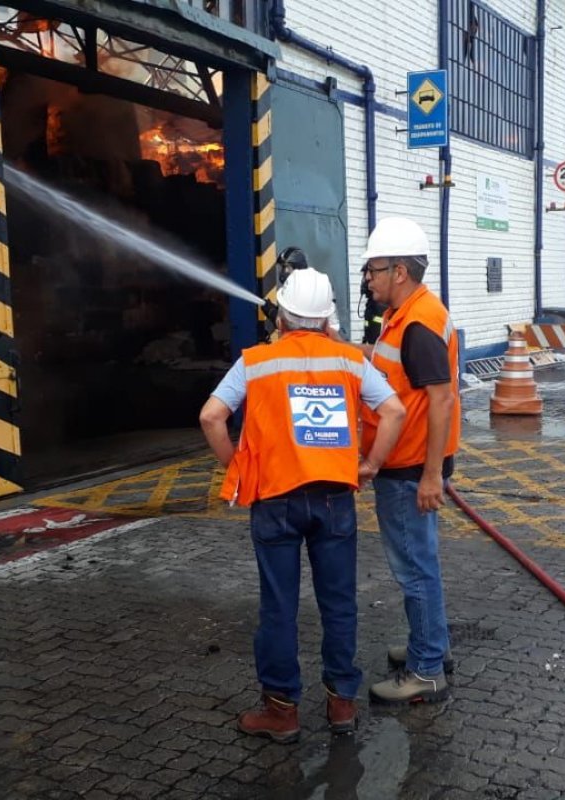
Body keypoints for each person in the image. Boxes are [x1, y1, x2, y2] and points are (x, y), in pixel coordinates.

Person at [199, 269, 406, 743]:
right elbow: (394, 410)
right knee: (338, 605)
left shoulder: (256, 361)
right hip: (335, 500)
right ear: (328, 317)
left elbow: (211, 416)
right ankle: (341, 705)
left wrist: (238, 466)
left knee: (279, 608)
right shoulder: (350, 361)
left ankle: (281, 712)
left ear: (283, 315)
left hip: (274, 501)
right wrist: (370, 464)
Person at [342, 216, 462, 705]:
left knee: (415, 570)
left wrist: (431, 475)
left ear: (400, 272)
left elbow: (441, 398)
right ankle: (431, 646)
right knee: (420, 565)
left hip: (411, 470)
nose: (367, 279)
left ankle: (427, 671)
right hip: (409, 465)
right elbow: (393, 370)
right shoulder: (407, 314)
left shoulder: (418, 323)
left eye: (373, 270)